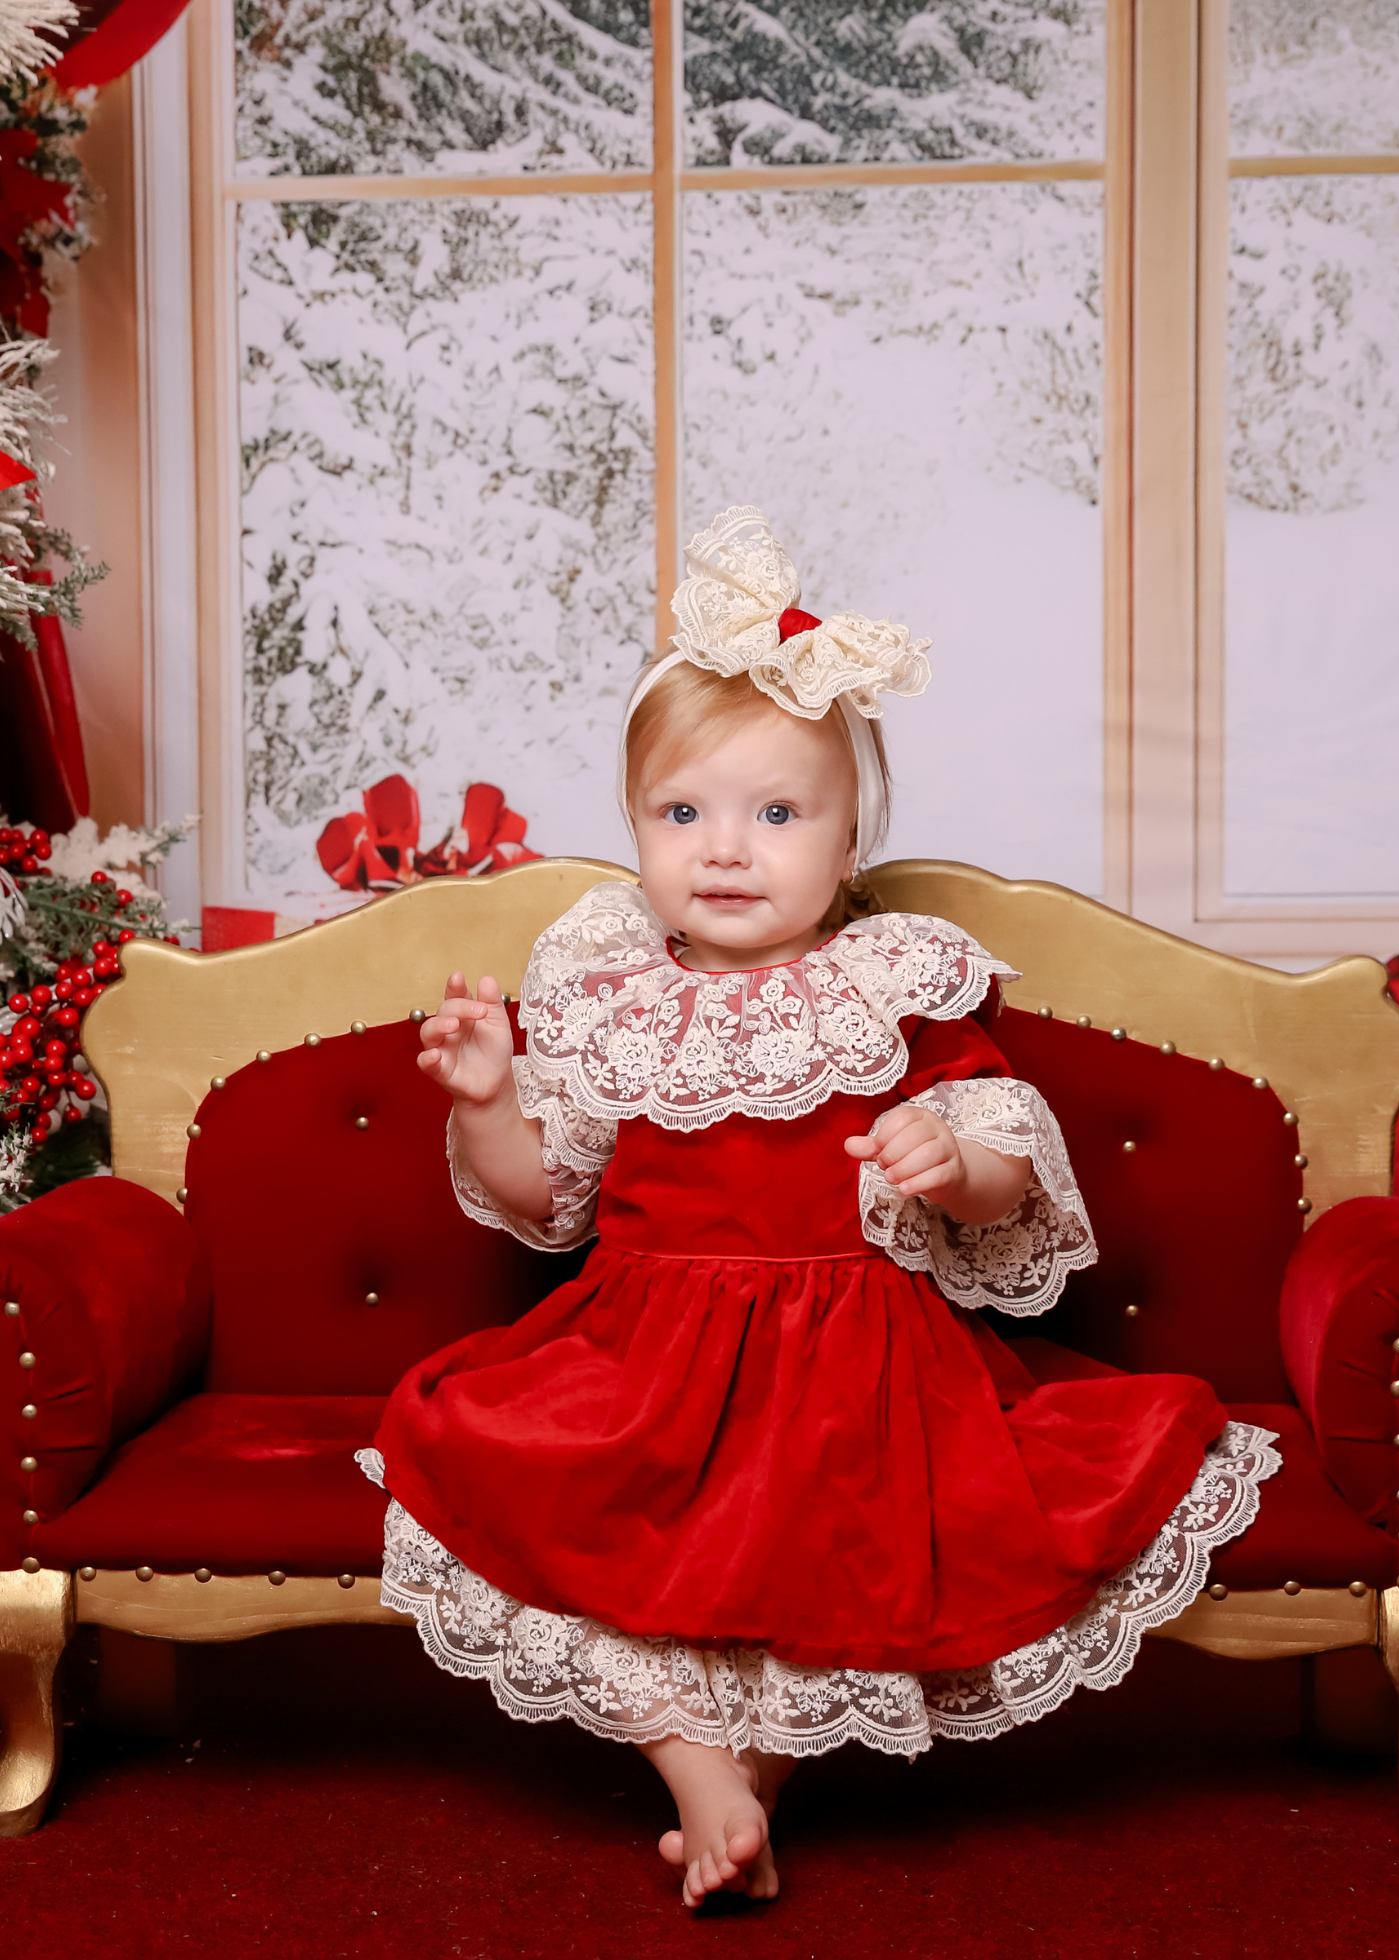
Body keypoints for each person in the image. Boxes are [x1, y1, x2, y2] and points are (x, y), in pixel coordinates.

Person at [359, 506, 1279, 1909]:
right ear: (639, 832)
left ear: (851, 845)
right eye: (684, 815)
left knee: (845, 1558)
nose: (726, 850)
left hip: (853, 1355)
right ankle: (694, 1766)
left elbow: (1002, 1173)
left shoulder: (894, 984)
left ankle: (750, 1790)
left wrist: (944, 1157)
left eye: (777, 815)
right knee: (480, 1458)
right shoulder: (610, 990)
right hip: (641, 1349)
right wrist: (489, 1097)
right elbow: (547, 1200)